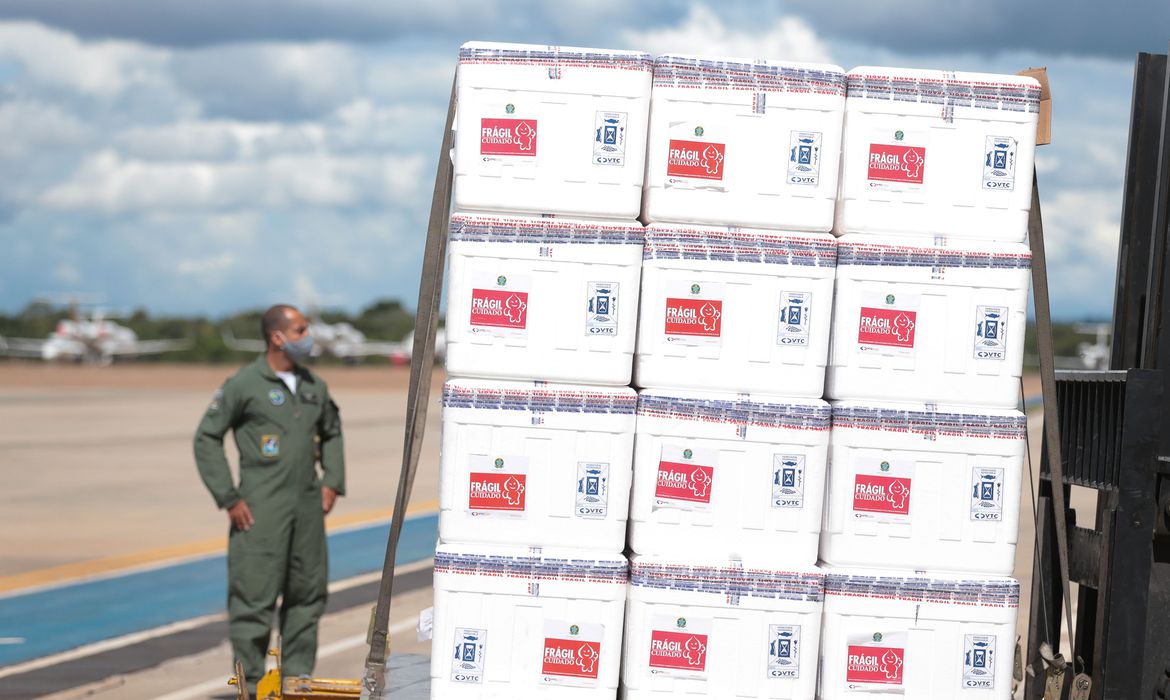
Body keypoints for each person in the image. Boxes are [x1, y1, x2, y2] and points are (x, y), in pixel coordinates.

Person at [194, 304, 345, 689]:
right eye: (300, 330)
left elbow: (332, 432)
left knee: (307, 597)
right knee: (253, 601)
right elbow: (206, 437)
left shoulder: (313, 386)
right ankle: (250, 688)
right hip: (259, 510)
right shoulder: (244, 384)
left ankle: (295, 686)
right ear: (277, 337)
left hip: (307, 510)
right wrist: (228, 497)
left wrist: (332, 481)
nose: (308, 337)